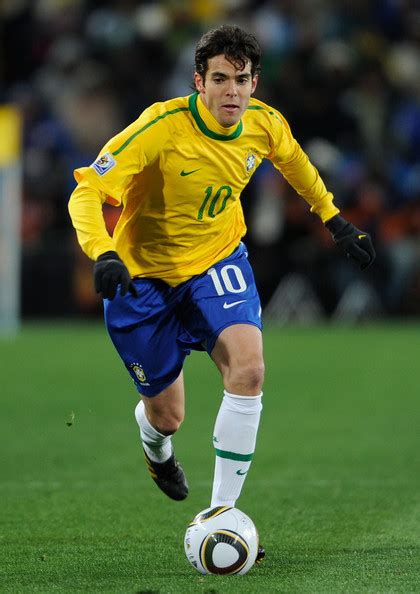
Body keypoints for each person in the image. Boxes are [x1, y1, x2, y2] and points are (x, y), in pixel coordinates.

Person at [68, 24, 375, 553]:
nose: (232, 91)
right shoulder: (159, 128)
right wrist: (105, 252)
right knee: (169, 415)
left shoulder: (264, 124)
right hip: (144, 280)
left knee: (250, 368)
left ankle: (223, 511)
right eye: (220, 79)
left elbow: (295, 162)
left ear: (255, 83)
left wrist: (334, 218)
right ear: (199, 81)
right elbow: (88, 189)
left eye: (242, 79)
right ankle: (155, 446)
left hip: (217, 261)